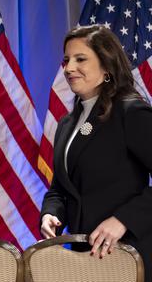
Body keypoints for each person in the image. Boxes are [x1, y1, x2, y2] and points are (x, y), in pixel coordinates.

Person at [40, 25, 152, 281]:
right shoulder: (66, 124)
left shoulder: (130, 112)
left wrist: (123, 220)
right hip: (85, 256)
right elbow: (60, 188)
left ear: (106, 67)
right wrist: (50, 214)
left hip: (131, 253)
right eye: (66, 60)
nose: (68, 68)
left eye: (80, 59)